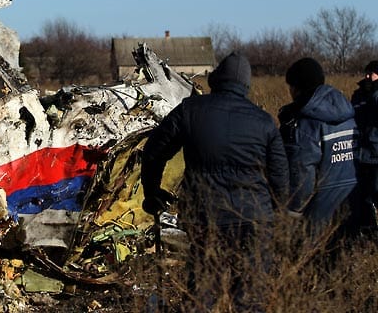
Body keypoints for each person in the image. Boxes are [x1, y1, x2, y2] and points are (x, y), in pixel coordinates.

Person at [141, 52, 289, 310]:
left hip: (206, 217)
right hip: (255, 219)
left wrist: (152, 191)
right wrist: (273, 212)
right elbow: (280, 177)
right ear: (246, 85)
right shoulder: (264, 121)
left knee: (203, 290)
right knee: (250, 293)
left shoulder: (190, 110)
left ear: (216, 79)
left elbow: (154, 151)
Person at [278, 57, 359, 240]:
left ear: (297, 88)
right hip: (352, 204)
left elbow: (302, 173)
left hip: (318, 215)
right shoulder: (347, 114)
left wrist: (293, 211)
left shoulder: (305, 124)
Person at [349, 60, 378, 234]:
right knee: (362, 195)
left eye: (372, 73)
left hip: (375, 154)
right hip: (360, 153)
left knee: (376, 191)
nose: (367, 77)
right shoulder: (358, 94)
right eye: (366, 73)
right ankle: (367, 230)